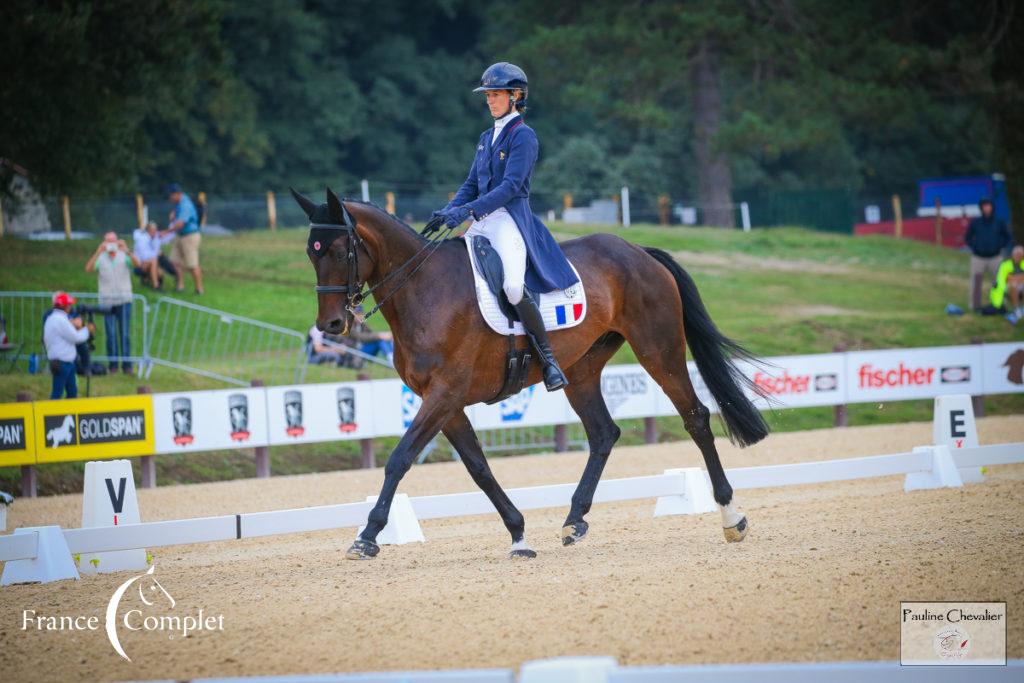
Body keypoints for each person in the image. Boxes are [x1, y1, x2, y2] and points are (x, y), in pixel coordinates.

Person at [427, 62, 578, 391]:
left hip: (510, 219)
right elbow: (470, 183)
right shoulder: (485, 137)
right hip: (482, 219)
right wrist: (449, 211)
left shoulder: (524, 136)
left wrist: (467, 211)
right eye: (488, 95)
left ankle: (548, 359)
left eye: (496, 94)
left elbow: (510, 187)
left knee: (512, 286)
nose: (490, 100)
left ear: (516, 95)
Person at [85, 232, 140, 374]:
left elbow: (138, 264)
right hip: (107, 301)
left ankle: (127, 365)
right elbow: (89, 268)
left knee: (124, 333)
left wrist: (127, 250)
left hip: (124, 300)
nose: (111, 244)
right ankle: (113, 365)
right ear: (104, 242)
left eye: (113, 241)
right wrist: (98, 251)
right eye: (108, 241)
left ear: (118, 241)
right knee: (111, 334)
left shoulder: (124, 255)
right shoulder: (101, 257)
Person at [42, 292, 94, 399]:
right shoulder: (60, 320)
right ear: (63, 306)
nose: (70, 307)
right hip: (62, 363)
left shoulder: (56, 318)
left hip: (66, 362)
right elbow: (76, 337)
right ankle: (52, 414)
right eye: (69, 305)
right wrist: (87, 330)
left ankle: (68, 414)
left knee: (72, 392)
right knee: (57, 393)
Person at [965, 197, 1013, 311]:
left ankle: (999, 304)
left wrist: (999, 246)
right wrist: (975, 247)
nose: (987, 208)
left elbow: (1007, 237)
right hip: (978, 258)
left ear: (992, 207)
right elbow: (968, 237)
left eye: (989, 205)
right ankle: (975, 306)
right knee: (976, 283)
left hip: (995, 257)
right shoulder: (976, 222)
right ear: (981, 208)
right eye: (984, 206)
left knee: (999, 282)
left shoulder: (999, 222)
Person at [162, 182, 204, 294]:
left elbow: (180, 224)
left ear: (176, 194)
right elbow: (176, 217)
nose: (170, 198)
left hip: (190, 236)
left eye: (171, 195)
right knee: (174, 261)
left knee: (192, 264)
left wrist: (166, 232)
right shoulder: (178, 202)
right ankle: (180, 285)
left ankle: (199, 289)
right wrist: (173, 215)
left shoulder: (185, 204)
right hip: (180, 236)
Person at [133, 221, 176, 288]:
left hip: (151, 262)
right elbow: (144, 256)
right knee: (154, 260)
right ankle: (155, 286)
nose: (154, 232)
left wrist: (173, 224)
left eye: (155, 230)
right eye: (152, 230)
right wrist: (157, 253)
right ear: (148, 230)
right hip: (140, 265)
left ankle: (147, 280)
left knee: (160, 272)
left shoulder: (156, 237)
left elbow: (170, 236)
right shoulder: (142, 239)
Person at [992, 245, 1024, 324]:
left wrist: (1013, 278)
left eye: (1020, 255)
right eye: (1016, 254)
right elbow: (1002, 279)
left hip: (1021, 286)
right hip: (1008, 287)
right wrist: (1019, 278)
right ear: (1012, 255)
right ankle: (1017, 310)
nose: (1018, 256)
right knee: (1013, 285)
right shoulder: (1005, 264)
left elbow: (1010, 278)